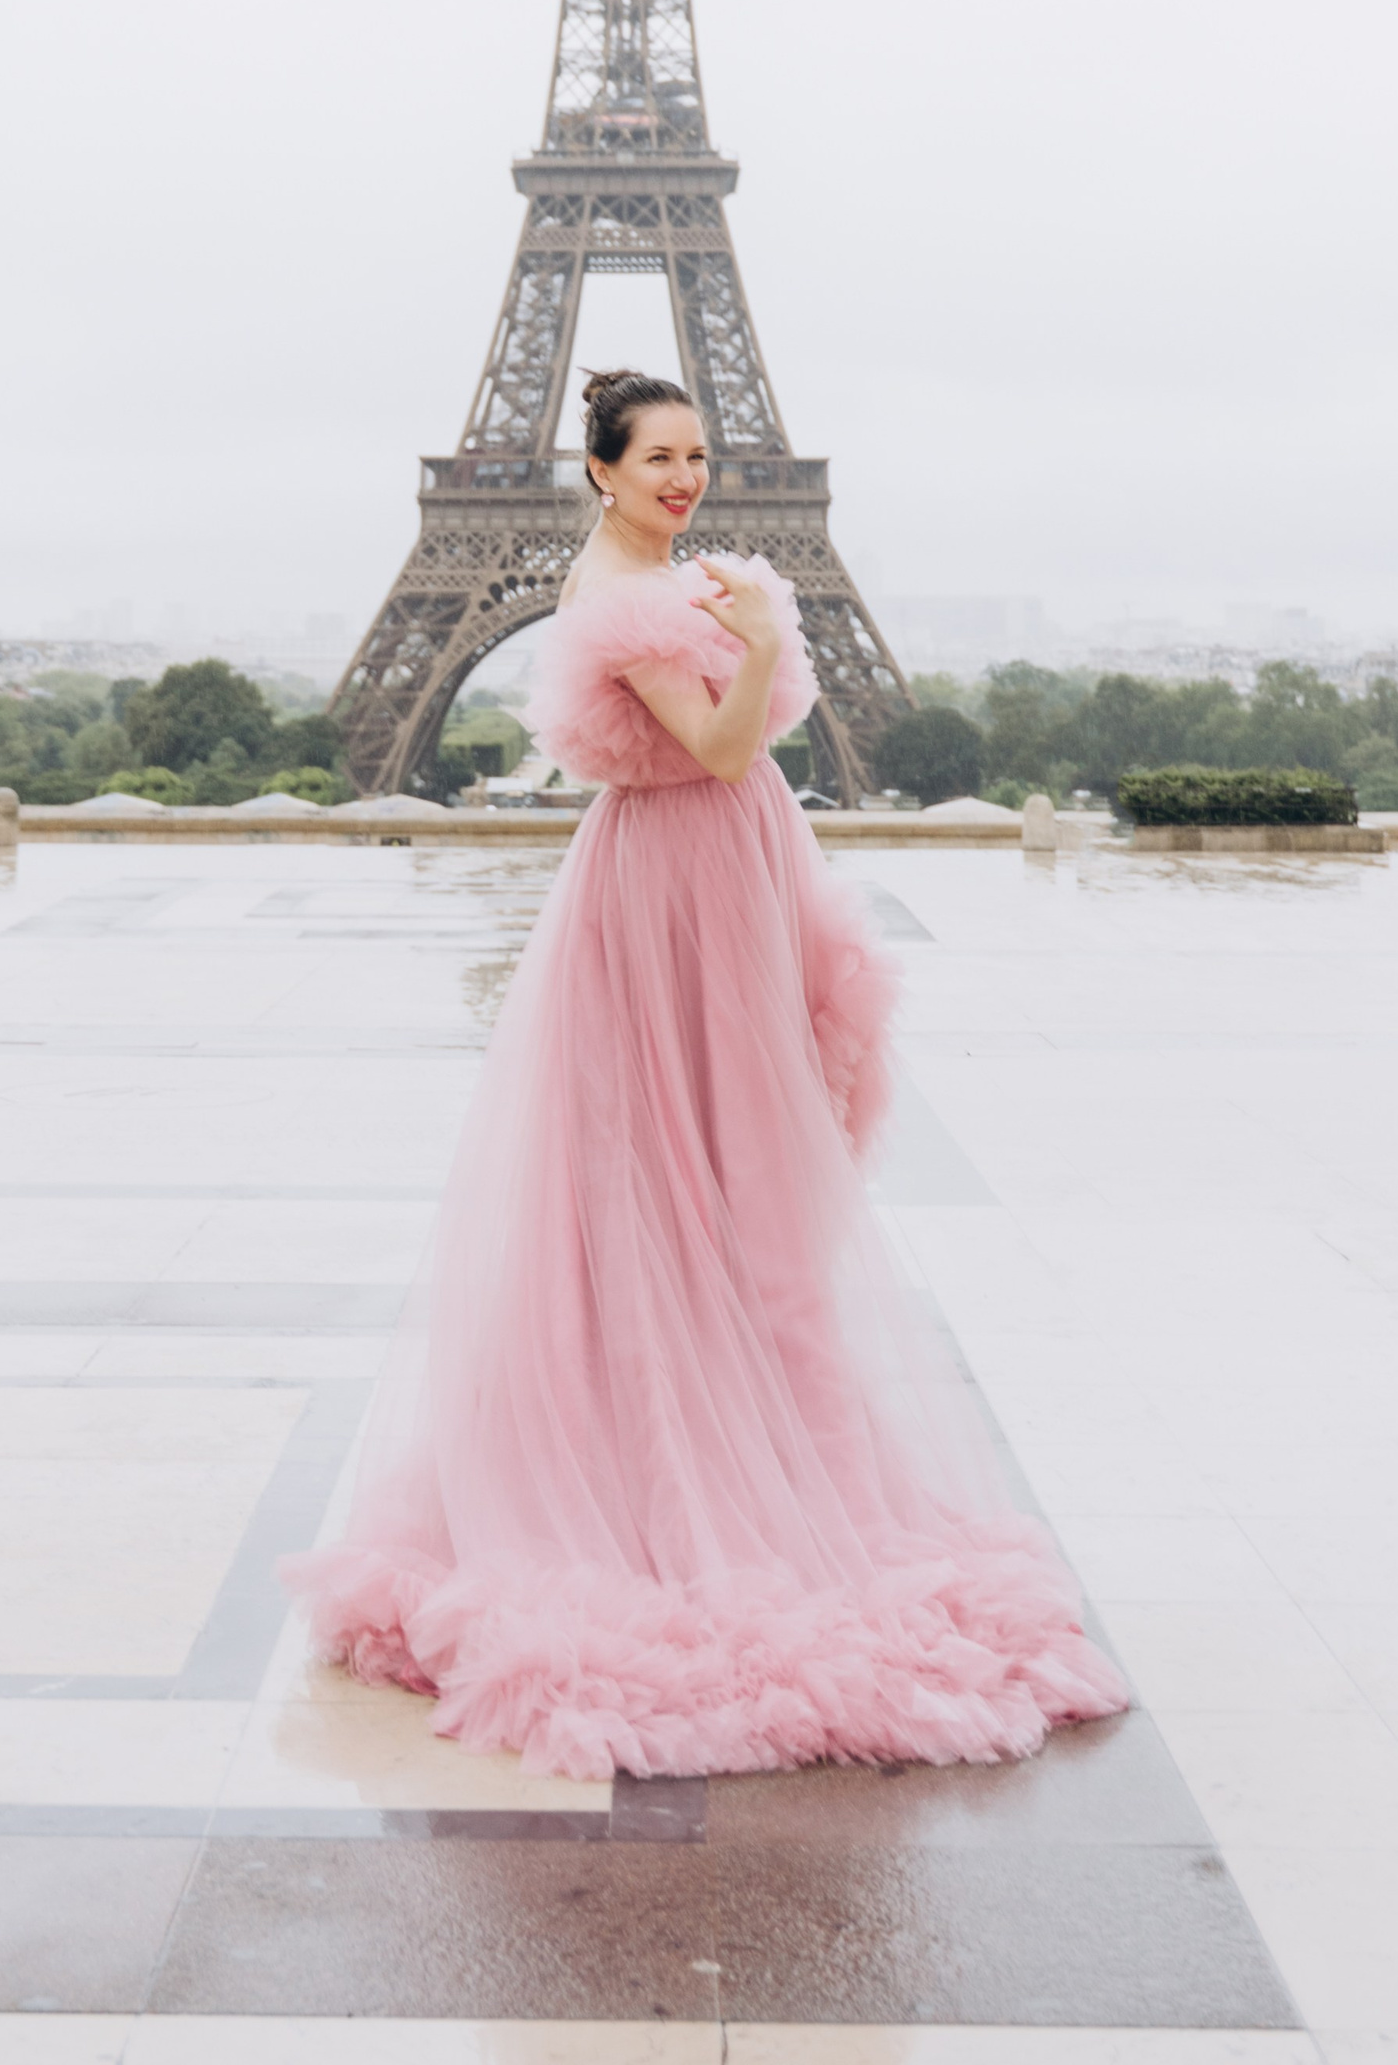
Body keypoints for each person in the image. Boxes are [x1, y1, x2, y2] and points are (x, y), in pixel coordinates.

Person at [282, 368, 1126, 1778]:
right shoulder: (627, 600)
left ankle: (701, 1428)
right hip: (679, 887)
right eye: (658, 457)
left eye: (698, 452)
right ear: (600, 471)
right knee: (689, 1166)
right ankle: (688, 1469)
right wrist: (760, 626)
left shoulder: (660, 575)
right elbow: (724, 745)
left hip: (703, 879)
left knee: (694, 1168)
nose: (686, 476)